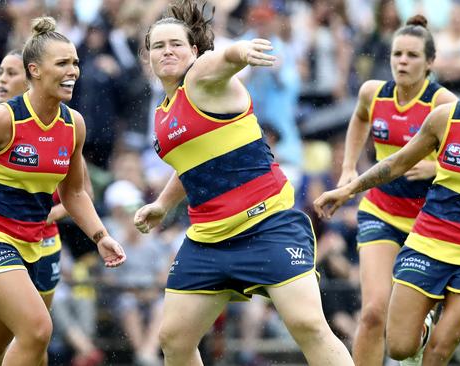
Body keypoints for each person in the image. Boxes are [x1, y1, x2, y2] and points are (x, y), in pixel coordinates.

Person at [314, 19, 460, 366]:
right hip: (427, 236)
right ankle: (421, 324)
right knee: (398, 345)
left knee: (438, 350)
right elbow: (396, 163)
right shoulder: (445, 117)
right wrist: (348, 185)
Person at [133, 1, 353, 365]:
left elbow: (224, 59)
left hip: (267, 223)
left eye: (175, 43)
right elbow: (193, 164)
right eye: (158, 46)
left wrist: (241, 52)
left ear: (194, 50)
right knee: (174, 339)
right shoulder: (163, 111)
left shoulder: (201, 76)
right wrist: (162, 204)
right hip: (209, 237)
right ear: (148, 58)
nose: (167, 51)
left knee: (309, 326)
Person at [0, 17, 126, 365]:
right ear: (34, 70)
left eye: (75, 62)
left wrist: (100, 235)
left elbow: (76, 193)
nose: (73, 71)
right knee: (37, 330)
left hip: (33, 245)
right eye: (62, 63)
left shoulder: (73, 123)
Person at [337, 15, 456, 366]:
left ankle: (422, 335)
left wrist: (436, 166)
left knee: (404, 332)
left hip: (429, 223)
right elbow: (359, 117)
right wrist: (348, 166)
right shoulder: (373, 93)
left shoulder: (443, 102)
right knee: (373, 311)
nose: (402, 61)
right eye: (397, 54)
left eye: (413, 55)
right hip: (380, 211)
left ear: (430, 63)